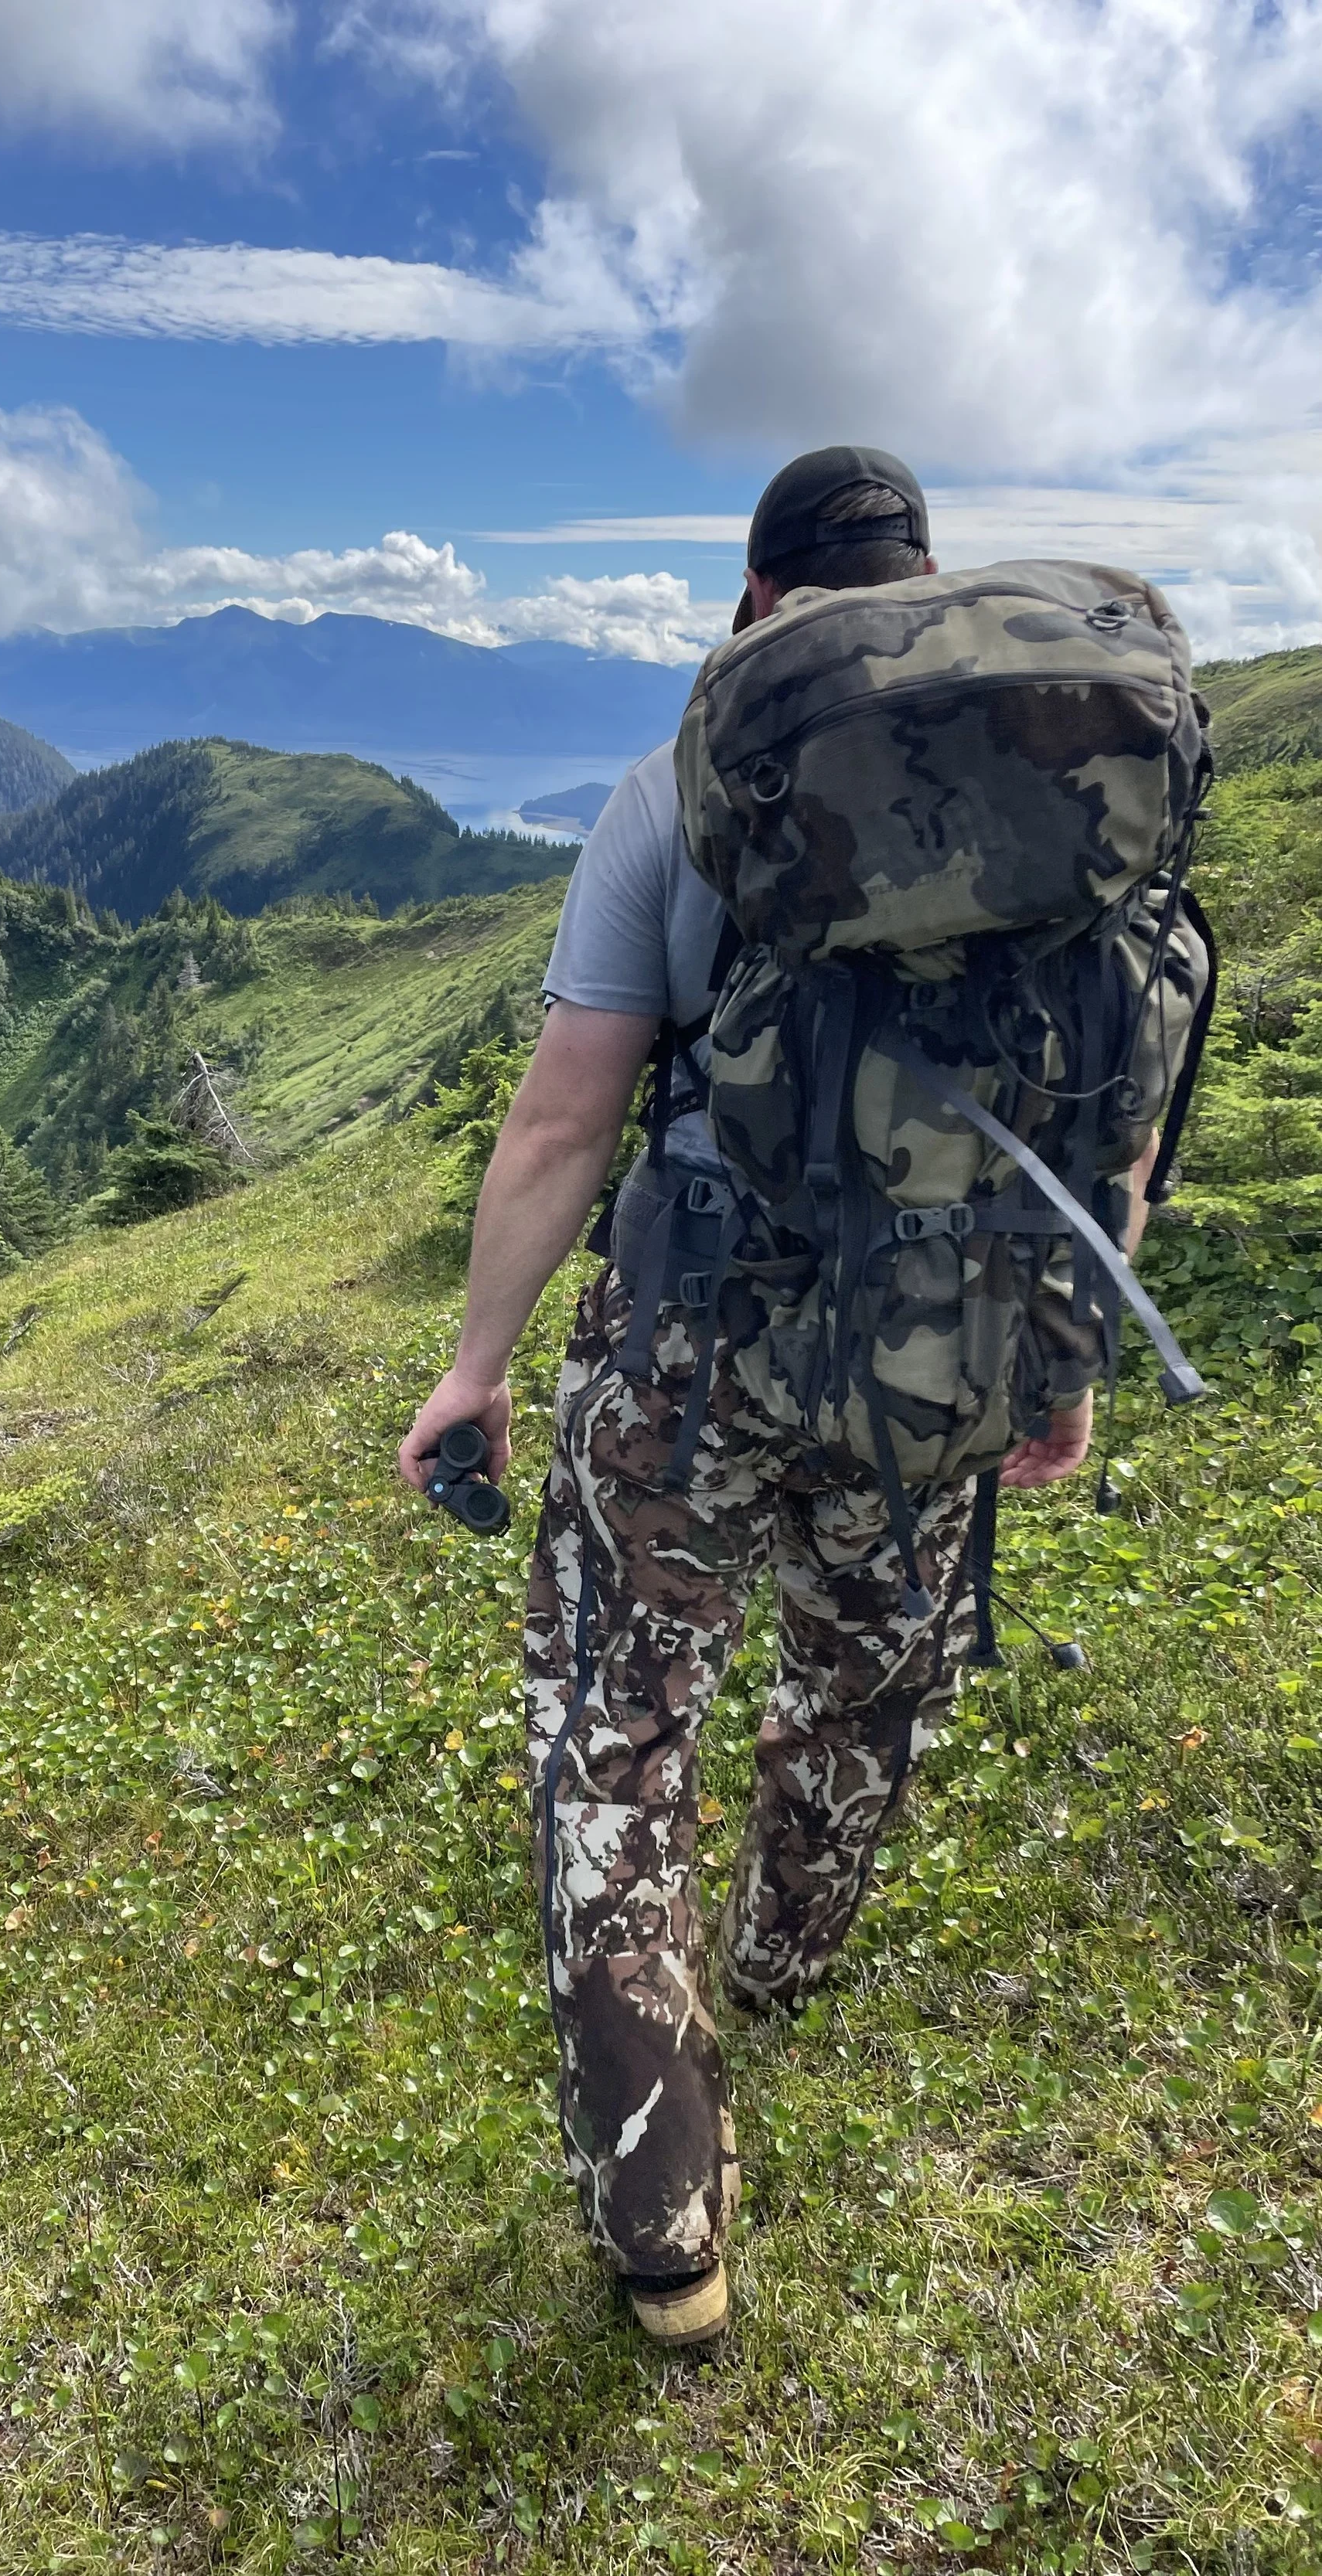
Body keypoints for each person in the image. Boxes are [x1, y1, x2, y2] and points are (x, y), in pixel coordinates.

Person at [397, 447, 1158, 2348]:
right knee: (861, 1660)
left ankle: (665, 2229)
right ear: (921, 581)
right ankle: (785, 1951)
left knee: (611, 1729)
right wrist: (1048, 1371)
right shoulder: (1053, 795)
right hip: (943, 1341)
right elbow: (1109, 1121)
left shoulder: (682, 786)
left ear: (753, 598)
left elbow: (568, 1111)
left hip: (694, 1341)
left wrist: (475, 1366)